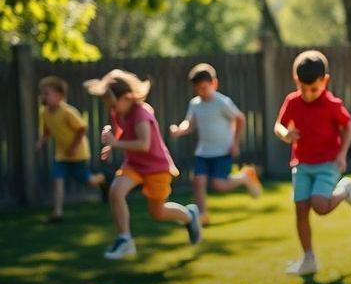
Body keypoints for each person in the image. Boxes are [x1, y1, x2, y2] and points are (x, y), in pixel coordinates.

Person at [84, 69, 202, 259]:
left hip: (157, 168)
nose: (111, 110)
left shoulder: (141, 113)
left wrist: (116, 143)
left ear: (128, 97)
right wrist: (113, 144)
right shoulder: (119, 112)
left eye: (113, 104)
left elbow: (144, 144)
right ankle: (125, 239)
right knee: (116, 191)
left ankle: (189, 216)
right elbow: (124, 131)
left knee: (158, 212)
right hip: (134, 164)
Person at [273, 50, 351, 276]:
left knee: (320, 207)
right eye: (302, 88)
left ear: (325, 81)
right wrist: (285, 134)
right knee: (301, 210)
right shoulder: (292, 101)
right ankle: (308, 258)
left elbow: (348, 127)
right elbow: (279, 125)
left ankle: (345, 190)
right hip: (302, 164)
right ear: (296, 81)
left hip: (327, 163)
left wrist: (342, 154)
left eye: (313, 89)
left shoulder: (332, 104)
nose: (308, 94)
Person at [168, 63, 262, 225]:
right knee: (198, 181)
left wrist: (235, 143)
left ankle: (245, 177)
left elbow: (240, 118)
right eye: (198, 89)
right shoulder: (195, 104)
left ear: (214, 84)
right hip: (203, 152)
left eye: (204, 88)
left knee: (219, 185)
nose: (201, 92)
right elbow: (189, 123)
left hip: (222, 150)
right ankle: (203, 215)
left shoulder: (222, 102)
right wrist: (179, 130)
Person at [36, 75, 107, 221]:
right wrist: (42, 141)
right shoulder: (45, 113)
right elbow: (47, 130)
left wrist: (74, 147)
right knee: (57, 179)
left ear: (60, 96)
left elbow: (82, 128)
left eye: (47, 93)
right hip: (61, 154)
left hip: (78, 153)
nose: (43, 97)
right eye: (42, 93)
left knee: (87, 180)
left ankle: (102, 180)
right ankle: (57, 213)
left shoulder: (68, 112)